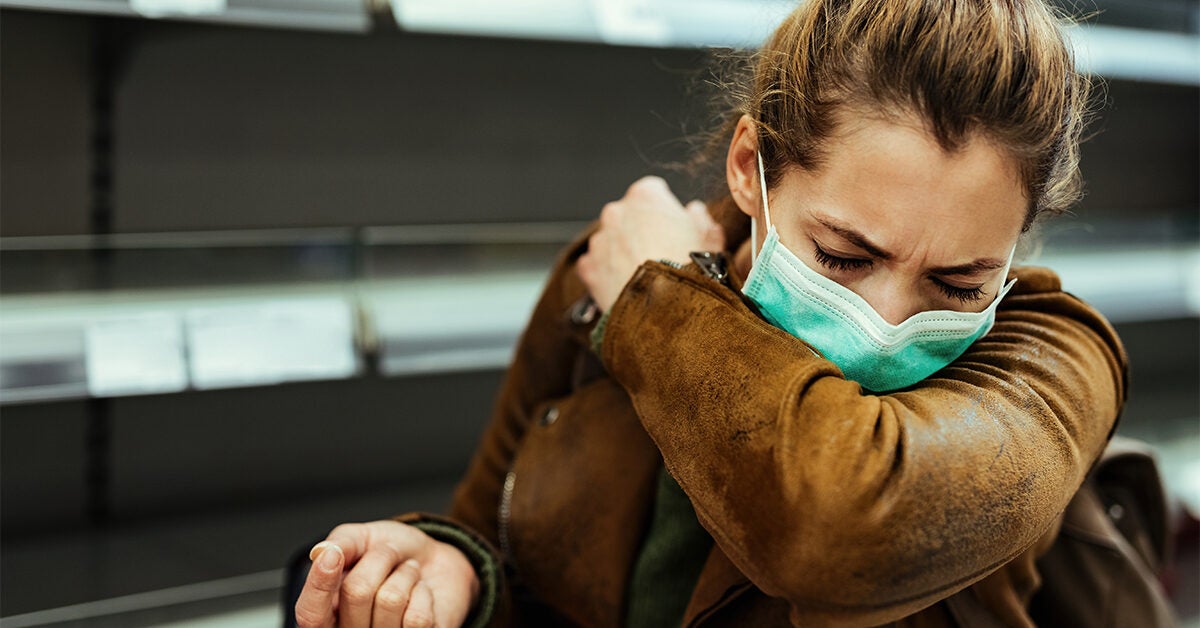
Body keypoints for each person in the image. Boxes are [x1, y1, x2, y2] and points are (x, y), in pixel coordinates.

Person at [294, 0, 1132, 625]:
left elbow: (832, 527)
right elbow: (492, 528)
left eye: (957, 284)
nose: (885, 318)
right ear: (747, 166)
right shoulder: (608, 274)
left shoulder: (1056, 360)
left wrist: (656, 302)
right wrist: (453, 575)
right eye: (843, 255)